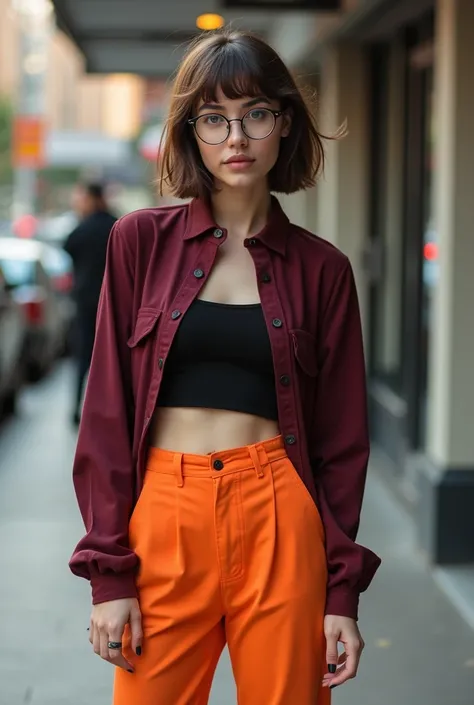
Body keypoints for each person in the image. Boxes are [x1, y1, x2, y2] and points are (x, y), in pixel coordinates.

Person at [69, 28, 381, 705]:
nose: (235, 137)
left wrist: (341, 591)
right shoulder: (138, 243)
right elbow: (106, 411)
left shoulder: (322, 269)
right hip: (164, 515)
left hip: (279, 513)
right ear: (191, 133)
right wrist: (110, 577)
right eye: (214, 118)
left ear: (284, 124)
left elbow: (342, 442)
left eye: (255, 114)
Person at [64, 182, 117, 425]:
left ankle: (77, 408)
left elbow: (68, 247)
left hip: (86, 302)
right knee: (113, 357)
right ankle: (111, 409)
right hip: (115, 301)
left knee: (84, 356)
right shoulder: (116, 226)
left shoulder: (82, 229)